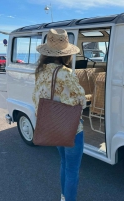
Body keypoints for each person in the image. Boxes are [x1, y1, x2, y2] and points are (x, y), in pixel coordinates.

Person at [33, 28, 86, 201]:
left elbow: (36, 98)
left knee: (64, 163)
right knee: (72, 170)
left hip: (52, 126)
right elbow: (80, 100)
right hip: (71, 129)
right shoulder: (65, 73)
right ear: (65, 54)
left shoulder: (40, 72)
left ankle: (63, 196)